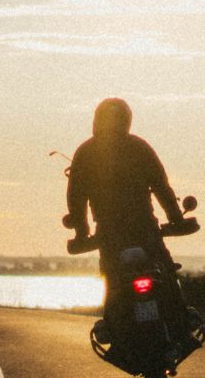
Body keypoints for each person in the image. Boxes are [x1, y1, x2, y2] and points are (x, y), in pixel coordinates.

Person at [65, 98, 188, 319]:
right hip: (144, 229)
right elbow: (162, 187)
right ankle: (180, 319)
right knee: (165, 270)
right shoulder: (139, 147)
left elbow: (76, 199)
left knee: (114, 280)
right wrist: (176, 218)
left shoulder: (85, 153)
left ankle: (115, 326)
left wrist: (81, 233)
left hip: (111, 235)